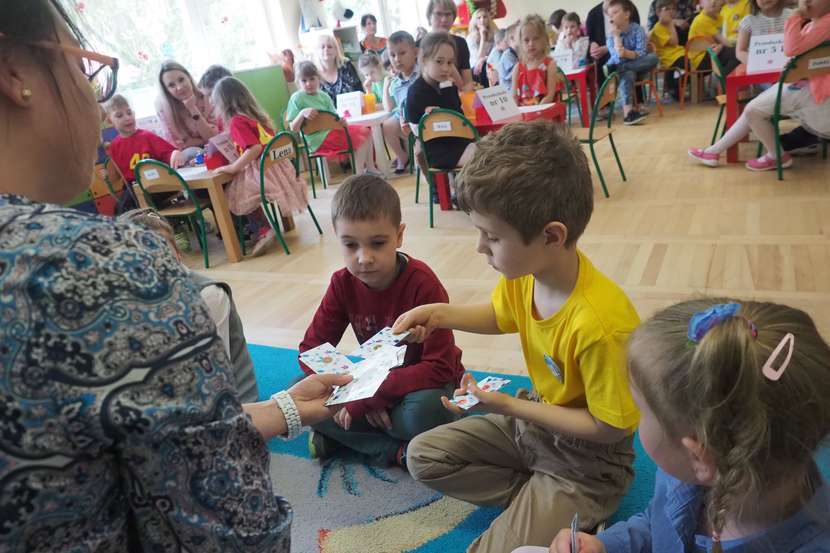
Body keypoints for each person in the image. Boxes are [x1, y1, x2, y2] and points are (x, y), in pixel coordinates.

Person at [0, 1, 351, 549]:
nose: (91, 98)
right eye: (83, 68)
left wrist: (284, 408)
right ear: (15, 74)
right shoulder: (103, 269)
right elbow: (233, 531)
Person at [393, 120, 641, 553]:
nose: (480, 248)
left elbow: (608, 428)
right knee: (423, 456)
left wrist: (507, 404)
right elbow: (500, 315)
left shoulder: (602, 325)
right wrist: (439, 315)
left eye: (492, 236)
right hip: (535, 426)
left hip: (588, 465)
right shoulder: (526, 273)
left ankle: (566, 506)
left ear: (551, 236)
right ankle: (535, 501)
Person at [541, 299, 830, 552]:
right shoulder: (685, 474)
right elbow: (659, 524)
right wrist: (607, 544)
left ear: (698, 456)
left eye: (641, 410)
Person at [299, 175, 464, 467]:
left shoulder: (423, 284)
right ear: (336, 238)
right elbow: (312, 348)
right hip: (367, 385)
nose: (364, 258)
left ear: (399, 236)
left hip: (420, 388)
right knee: (299, 391)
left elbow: (440, 367)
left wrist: (370, 398)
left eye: (377, 243)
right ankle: (395, 451)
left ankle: (345, 437)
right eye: (350, 245)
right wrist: (352, 394)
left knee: (427, 414)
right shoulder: (341, 283)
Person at [120, 208, 259, 403]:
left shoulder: (207, 295)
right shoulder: (125, 295)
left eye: (161, 254)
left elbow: (211, 374)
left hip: (224, 397)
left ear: (177, 255)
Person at [689, 0, 830, 171]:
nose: (805, 3)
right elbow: (796, 53)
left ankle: (776, 156)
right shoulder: (814, 22)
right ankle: (714, 151)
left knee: (753, 110)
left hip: (810, 90)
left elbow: (792, 48)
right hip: (798, 83)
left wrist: (796, 15)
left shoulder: (821, 21)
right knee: (753, 109)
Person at [211, 76, 310, 257]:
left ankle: (262, 229)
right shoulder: (255, 117)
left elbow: (255, 149)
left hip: (264, 172)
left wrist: (234, 168)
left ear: (222, 103)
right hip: (280, 171)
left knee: (234, 194)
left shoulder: (236, 122)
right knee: (242, 190)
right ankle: (262, 228)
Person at [287, 61, 377, 174]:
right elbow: (293, 128)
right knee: (359, 138)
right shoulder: (296, 98)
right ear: (298, 82)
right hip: (316, 140)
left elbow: (334, 118)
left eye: (312, 79)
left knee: (366, 131)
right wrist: (302, 113)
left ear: (318, 78)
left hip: (333, 132)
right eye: (304, 80)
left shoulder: (324, 96)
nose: (308, 84)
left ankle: (370, 167)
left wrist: (342, 121)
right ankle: (359, 175)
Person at [405, 32, 478, 171]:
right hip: (439, 151)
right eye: (439, 61)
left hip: (461, 142)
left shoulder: (448, 85)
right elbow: (413, 128)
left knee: (493, 148)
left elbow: (458, 116)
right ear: (424, 60)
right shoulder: (416, 92)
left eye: (450, 63)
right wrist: (427, 120)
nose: (446, 68)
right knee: (485, 156)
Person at [104, 94, 183, 183]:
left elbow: (169, 153)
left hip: (157, 182)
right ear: (110, 121)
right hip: (133, 187)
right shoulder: (114, 146)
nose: (127, 118)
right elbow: (116, 177)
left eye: (129, 113)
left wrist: (175, 153)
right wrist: (107, 174)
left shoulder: (147, 136)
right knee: (127, 196)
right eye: (119, 116)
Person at [606, 0, 659, 125]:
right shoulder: (611, 35)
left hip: (632, 65)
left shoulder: (637, 29)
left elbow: (641, 53)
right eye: (610, 15)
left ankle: (622, 68)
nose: (611, 17)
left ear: (627, 14)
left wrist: (625, 54)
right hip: (622, 67)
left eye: (615, 12)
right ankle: (628, 114)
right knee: (628, 74)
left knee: (654, 58)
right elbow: (617, 55)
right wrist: (617, 37)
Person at [155, 60, 219, 151]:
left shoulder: (207, 97)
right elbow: (176, 145)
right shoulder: (164, 109)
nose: (179, 87)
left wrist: (192, 108)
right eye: (171, 85)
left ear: (188, 77)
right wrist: (202, 141)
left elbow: (213, 137)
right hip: (187, 155)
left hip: (215, 149)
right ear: (167, 91)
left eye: (181, 80)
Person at [383, 30, 419, 174]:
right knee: (387, 125)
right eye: (392, 55)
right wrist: (386, 86)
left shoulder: (421, 74)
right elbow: (389, 108)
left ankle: (417, 156)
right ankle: (401, 156)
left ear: (415, 52)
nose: (397, 59)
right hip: (402, 116)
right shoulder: (395, 82)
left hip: (419, 115)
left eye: (402, 53)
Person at [419, 0, 475, 91]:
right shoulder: (419, 45)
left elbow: (468, 82)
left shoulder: (460, 43)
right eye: (438, 14)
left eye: (448, 14)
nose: (444, 19)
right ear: (429, 17)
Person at [512, 14, 559, 106]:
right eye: (526, 40)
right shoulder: (518, 68)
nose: (531, 43)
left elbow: (550, 96)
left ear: (544, 39)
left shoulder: (550, 64)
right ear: (520, 43)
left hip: (546, 112)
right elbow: (514, 97)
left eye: (536, 38)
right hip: (525, 115)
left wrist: (537, 112)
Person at [587, 0, 642, 77]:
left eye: (615, 12)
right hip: (604, 59)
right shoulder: (593, 14)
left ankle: (621, 68)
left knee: (649, 59)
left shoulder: (627, 7)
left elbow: (634, 37)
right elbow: (590, 38)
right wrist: (593, 44)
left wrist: (607, 48)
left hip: (629, 52)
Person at [688, 0, 741, 75]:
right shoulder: (701, 20)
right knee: (737, 53)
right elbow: (726, 42)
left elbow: (727, 38)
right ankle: (722, 80)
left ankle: (724, 79)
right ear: (700, 3)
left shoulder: (720, 18)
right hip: (699, 59)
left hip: (713, 51)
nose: (713, 2)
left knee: (737, 52)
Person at [736, 0, 795, 64]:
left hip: (790, 69)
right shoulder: (748, 22)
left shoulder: (792, 16)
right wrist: (757, 63)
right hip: (759, 70)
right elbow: (740, 51)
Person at [650, 0, 687, 100]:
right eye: (667, 9)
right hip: (670, 59)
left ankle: (675, 83)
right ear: (658, 12)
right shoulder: (658, 27)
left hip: (679, 55)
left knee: (693, 62)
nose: (671, 12)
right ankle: (673, 85)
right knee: (688, 65)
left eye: (673, 9)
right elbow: (675, 41)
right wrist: (671, 23)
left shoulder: (670, 24)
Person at [315, 34, 364, 103]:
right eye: (322, 47)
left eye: (330, 47)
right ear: (317, 51)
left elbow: (360, 91)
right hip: (326, 113)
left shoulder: (347, 66)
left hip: (352, 110)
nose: (326, 49)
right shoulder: (313, 73)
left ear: (336, 50)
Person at [467, 8, 495, 87]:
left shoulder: (493, 35)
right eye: (479, 18)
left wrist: (484, 59)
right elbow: (478, 58)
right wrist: (483, 37)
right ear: (475, 21)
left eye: (484, 17)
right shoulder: (470, 38)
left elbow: (495, 55)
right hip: (476, 70)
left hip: (490, 66)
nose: (482, 20)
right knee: (483, 67)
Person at [499, 22, 521, 91]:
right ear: (512, 38)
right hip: (509, 91)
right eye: (521, 34)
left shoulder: (519, 52)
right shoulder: (507, 56)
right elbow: (519, 73)